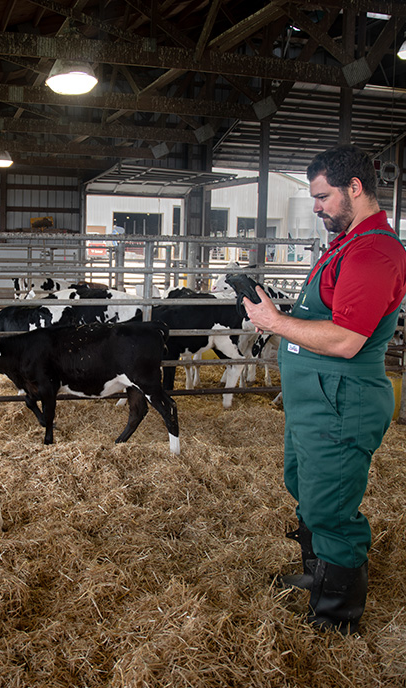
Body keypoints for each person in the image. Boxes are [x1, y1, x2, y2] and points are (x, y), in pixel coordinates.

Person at [243, 144, 406, 634]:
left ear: (354, 188)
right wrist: (278, 315)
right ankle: (319, 576)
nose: (315, 207)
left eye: (322, 197)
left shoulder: (375, 251)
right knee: (306, 489)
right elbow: (322, 318)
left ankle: (337, 618)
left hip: (341, 402)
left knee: (330, 506)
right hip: (315, 400)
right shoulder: (346, 245)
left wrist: (276, 321)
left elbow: (346, 339)